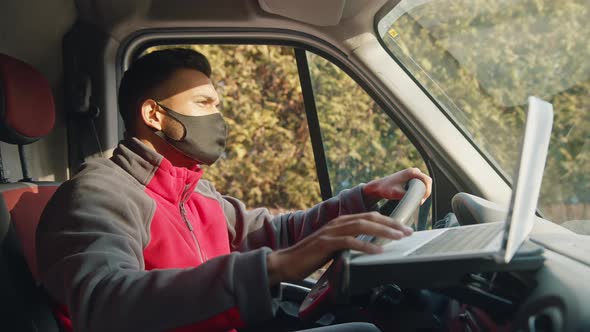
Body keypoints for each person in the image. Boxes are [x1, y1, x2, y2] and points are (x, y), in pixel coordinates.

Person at [36, 48, 432, 332]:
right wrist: (273, 267)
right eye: (204, 102)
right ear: (153, 114)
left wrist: (364, 197)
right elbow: (105, 303)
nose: (218, 119)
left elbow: (274, 235)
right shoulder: (97, 193)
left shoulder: (195, 191)